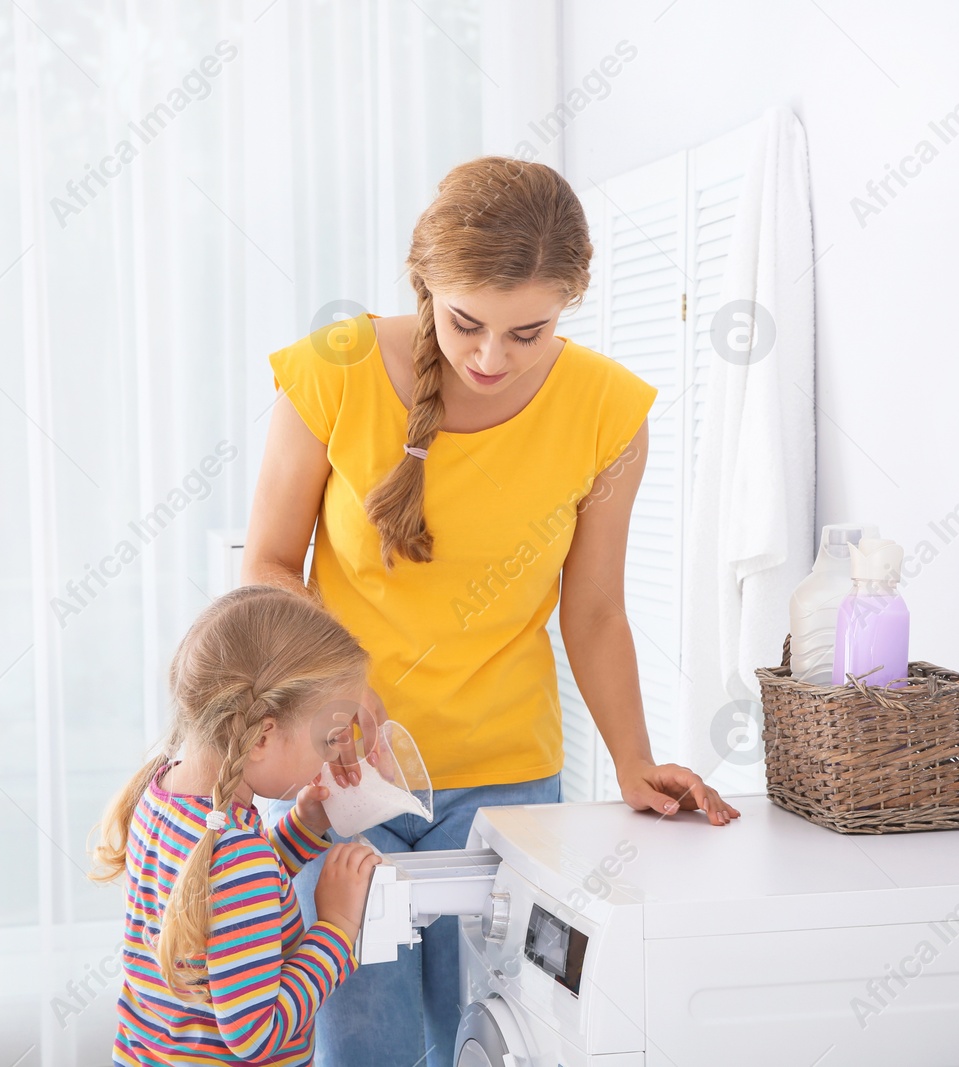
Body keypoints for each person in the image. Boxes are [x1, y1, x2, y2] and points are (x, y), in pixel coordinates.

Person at [243, 155, 742, 1065]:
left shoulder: (607, 411)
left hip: (508, 782)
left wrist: (634, 761)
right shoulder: (333, 370)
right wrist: (332, 687)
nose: (489, 358)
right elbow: (269, 564)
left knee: (499, 1036)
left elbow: (592, 613)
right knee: (365, 1044)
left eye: (529, 333)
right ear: (425, 280)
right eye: (467, 322)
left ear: (571, 303)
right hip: (345, 771)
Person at [90, 584, 384, 1066]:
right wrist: (337, 928)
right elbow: (255, 1035)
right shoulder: (237, 852)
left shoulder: (162, 794)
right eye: (330, 737)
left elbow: (223, 898)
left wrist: (302, 827)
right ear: (262, 737)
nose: (336, 753)